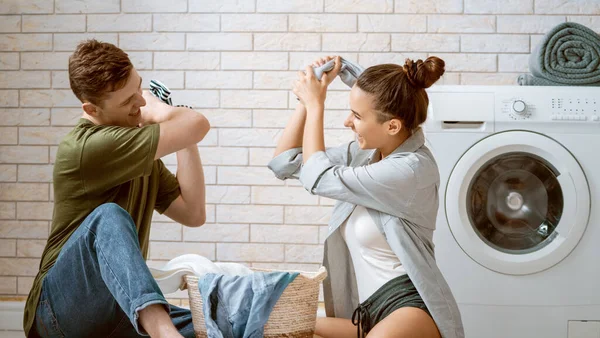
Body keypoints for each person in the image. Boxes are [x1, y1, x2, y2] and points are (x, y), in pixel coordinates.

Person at [23, 39, 210, 338]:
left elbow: (193, 213)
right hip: (57, 312)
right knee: (108, 216)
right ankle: (163, 332)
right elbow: (197, 122)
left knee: (216, 326)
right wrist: (165, 112)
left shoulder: (135, 150)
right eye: (127, 102)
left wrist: (181, 138)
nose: (141, 102)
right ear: (91, 108)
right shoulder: (87, 146)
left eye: (138, 88)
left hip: (117, 311)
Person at [268, 56, 464, 338]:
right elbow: (285, 162)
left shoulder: (410, 169)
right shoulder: (366, 155)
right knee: (275, 324)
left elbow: (317, 177)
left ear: (393, 126)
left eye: (357, 116)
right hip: (368, 314)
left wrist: (316, 105)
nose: (348, 121)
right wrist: (307, 97)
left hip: (406, 309)